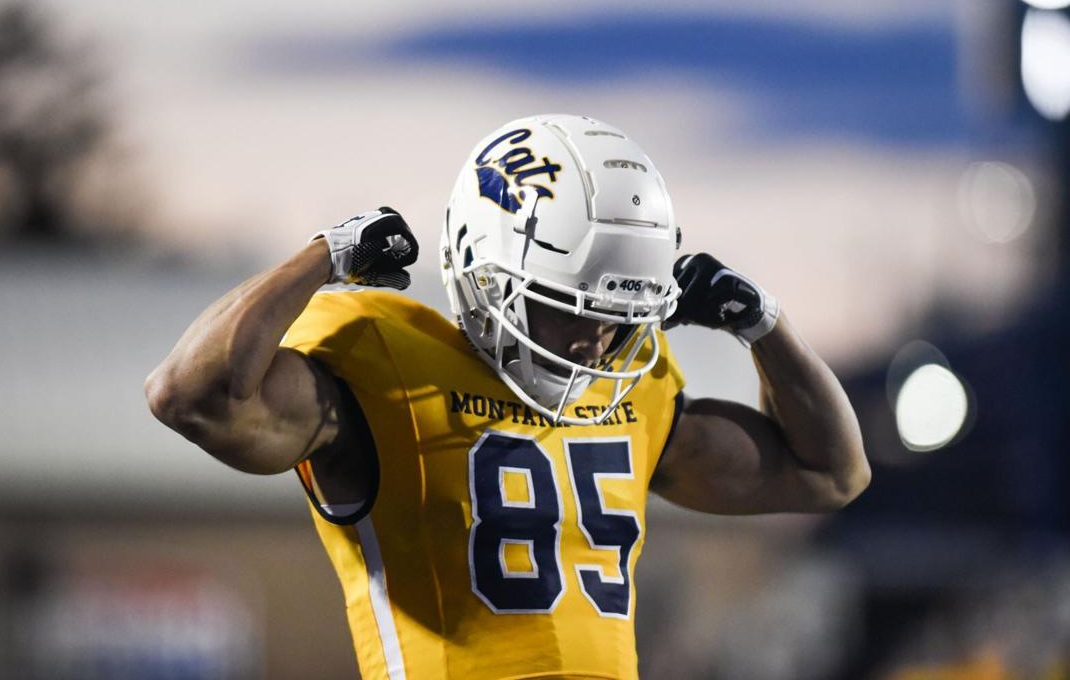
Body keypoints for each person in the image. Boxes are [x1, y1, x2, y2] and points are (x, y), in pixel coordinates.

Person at [145, 114, 871, 680]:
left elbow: (833, 473)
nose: (592, 342)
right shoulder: (386, 368)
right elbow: (188, 395)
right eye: (568, 308)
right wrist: (324, 255)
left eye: (615, 318)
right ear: (484, 274)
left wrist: (763, 323)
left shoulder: (635, 392)